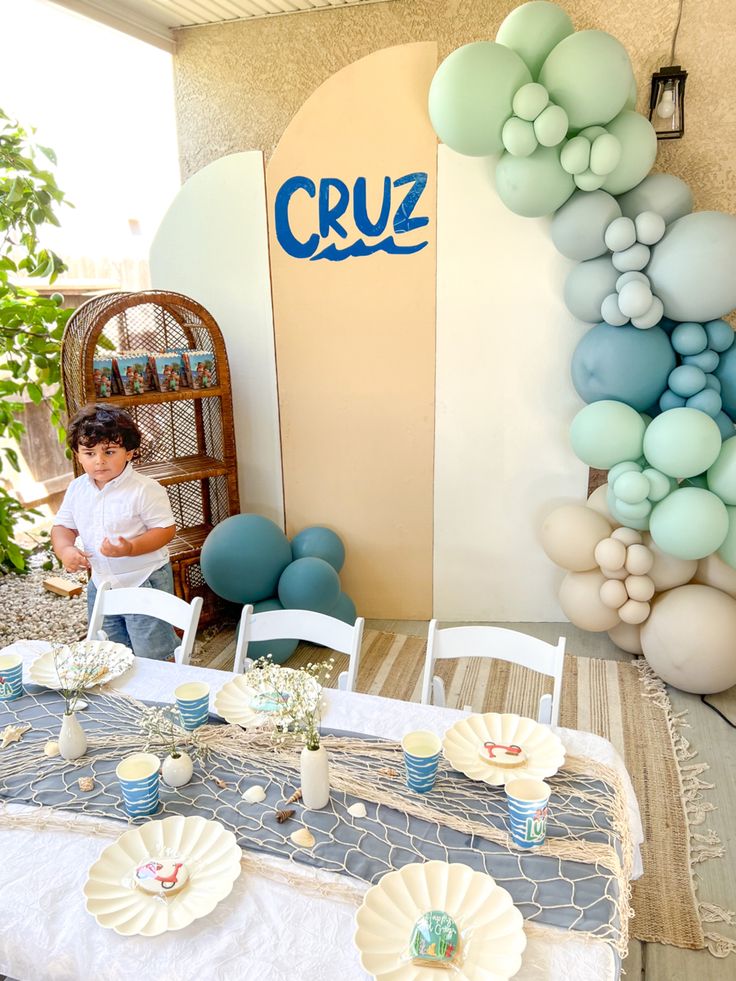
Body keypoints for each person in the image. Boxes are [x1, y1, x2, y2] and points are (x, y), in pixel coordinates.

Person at [51, 404, 179, 660]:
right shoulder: (78, 489)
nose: (99, 461)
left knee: (152, 650)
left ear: (129, 452)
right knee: (108, 648)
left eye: (109, 452)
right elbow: (63, 527)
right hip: (101, 583)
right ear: (78, 455)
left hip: (144, 580)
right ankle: (120, 693)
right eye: (90, 453)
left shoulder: (144, 489)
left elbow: (165, 530)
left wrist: (130, 547)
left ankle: (162, 688)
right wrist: (65, 550)